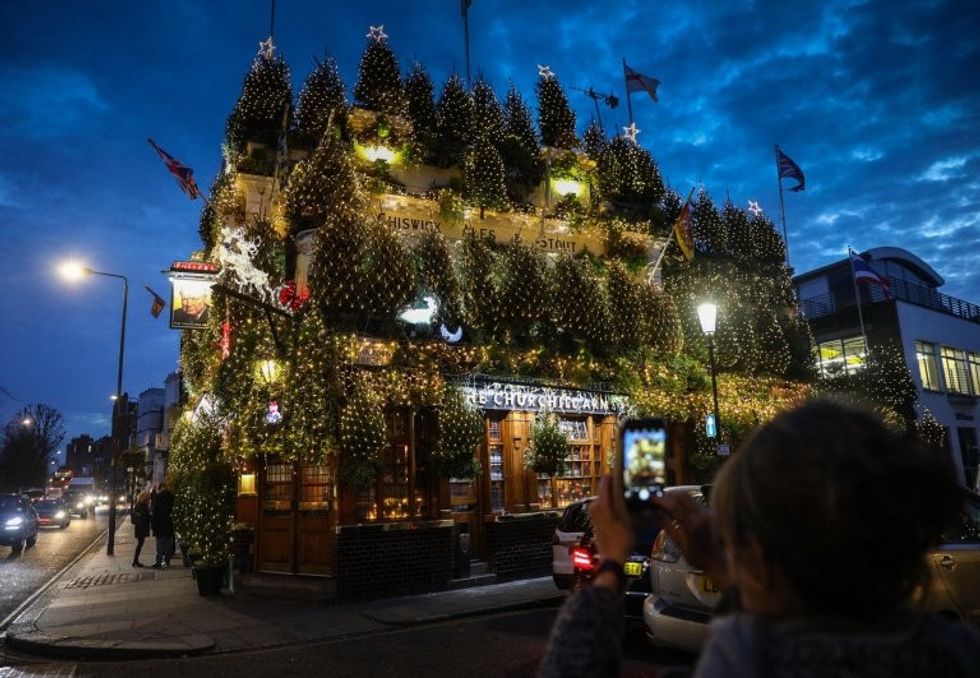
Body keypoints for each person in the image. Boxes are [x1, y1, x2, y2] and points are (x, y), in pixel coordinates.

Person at [539, 399, 980, 677]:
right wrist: (720, 565)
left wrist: (612, 564)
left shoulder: (750, 657)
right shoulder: (957, 651)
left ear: (759, 556)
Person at [150, 482, 175, 569]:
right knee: (168, 544)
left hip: (160, 525)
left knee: (160, 545)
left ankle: (159, 561)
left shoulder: (158, 498)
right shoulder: (172, 497)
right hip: (169, 524)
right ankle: (167, 561)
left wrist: (153, 526)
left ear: (160, 488)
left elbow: (155, 513)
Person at [131, 490, 151, 567]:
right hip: (141, 528)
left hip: (140, 527)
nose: (149, 499)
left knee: (140, 544)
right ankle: (135, 560)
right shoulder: (141, 506)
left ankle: (135, 560)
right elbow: (144, 516)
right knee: (140, 544)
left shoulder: (139, 505)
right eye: (148, 498)